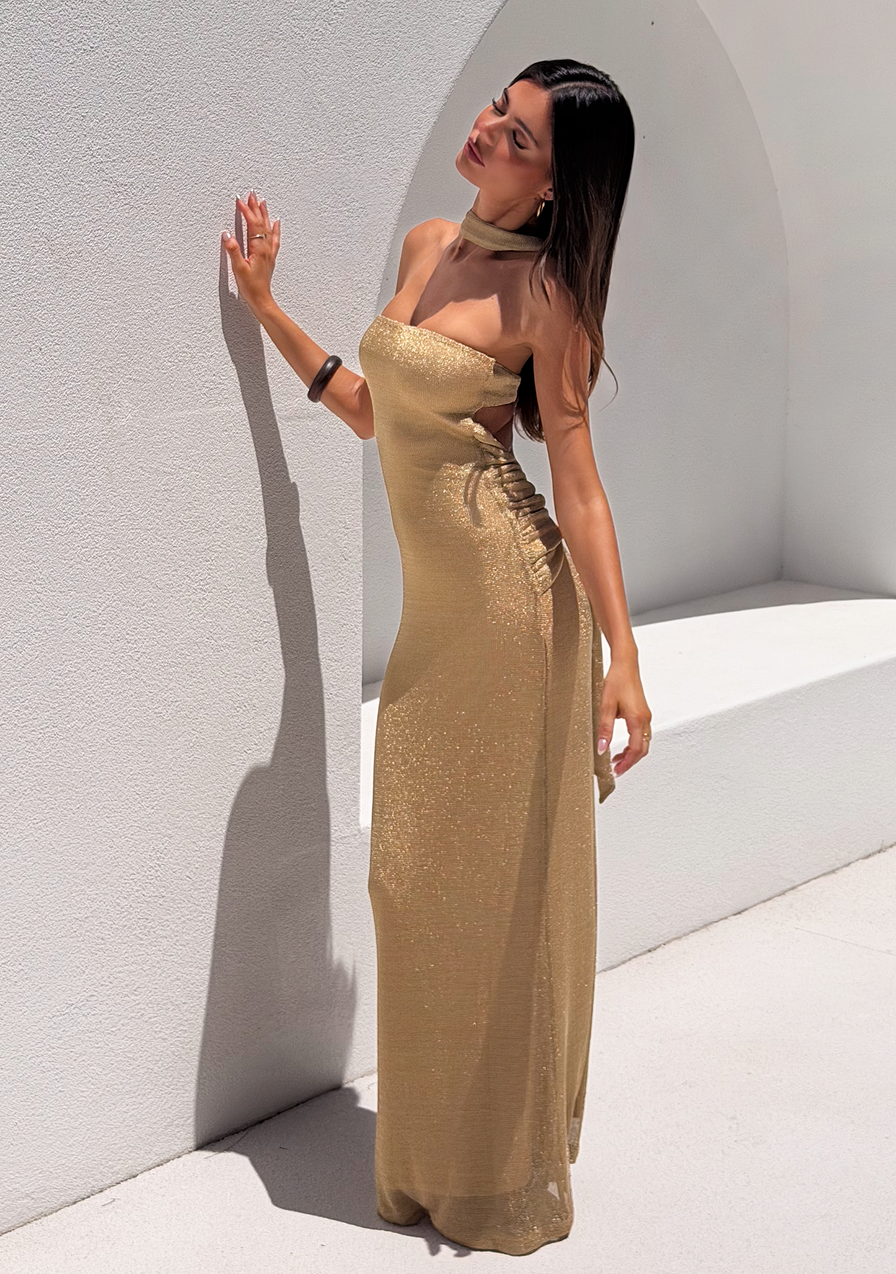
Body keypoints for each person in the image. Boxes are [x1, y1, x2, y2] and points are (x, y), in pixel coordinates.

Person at [222, 57, 652, 1257]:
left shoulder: (550, 298)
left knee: (498, 893)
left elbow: (576, 481)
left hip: (514, 613)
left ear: (559, 184)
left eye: (515, 137)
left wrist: (622, 657)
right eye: (494, 113)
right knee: (410, 880)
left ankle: (496, 1177)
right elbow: (376, 410)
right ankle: (424, 1162)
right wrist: (269, 309)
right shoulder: (423, 243)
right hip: (437, 621)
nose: (484, 133)